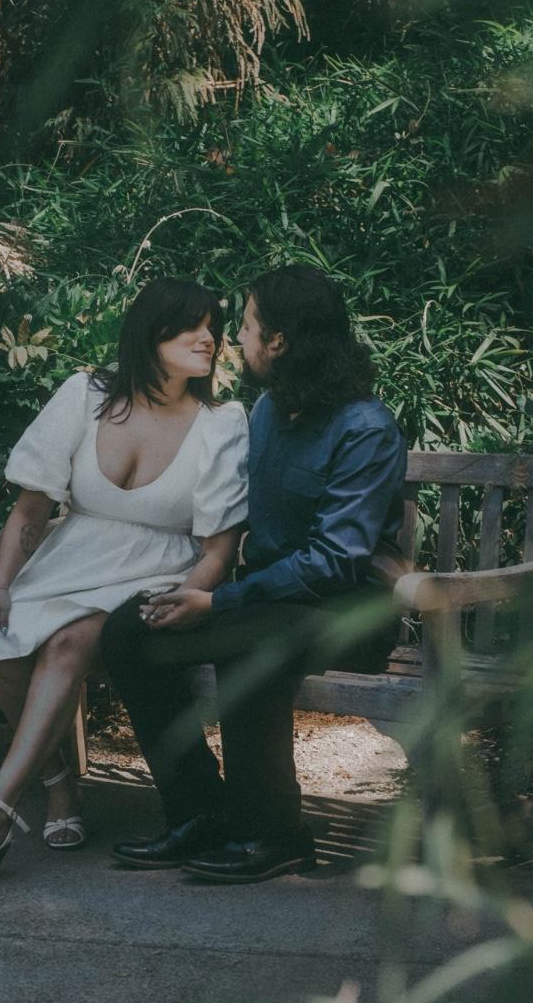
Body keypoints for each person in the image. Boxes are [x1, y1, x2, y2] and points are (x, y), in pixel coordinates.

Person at [0, 278, 249, 878]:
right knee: (6, 648)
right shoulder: (86, 395)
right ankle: (60, 783)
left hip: (154, 572)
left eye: (214, 328)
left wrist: (189, 594)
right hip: (70, 560)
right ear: (151, 332)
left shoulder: (221, 422)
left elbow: (218, 546)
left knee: (68, 643)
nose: (209, 339)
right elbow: (31, 509)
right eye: (192, 326)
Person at [99, 265, 407, 884]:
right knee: (130, 630)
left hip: (351, 609)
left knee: (249, 640)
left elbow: (335, 560)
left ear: (279, 341)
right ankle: (201, 812)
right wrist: (199, 586)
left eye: (244, 326)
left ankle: (277, 836)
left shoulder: (365, 429)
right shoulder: (268, 411)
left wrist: (222, 603)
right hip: (267, 601)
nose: (234, 340)